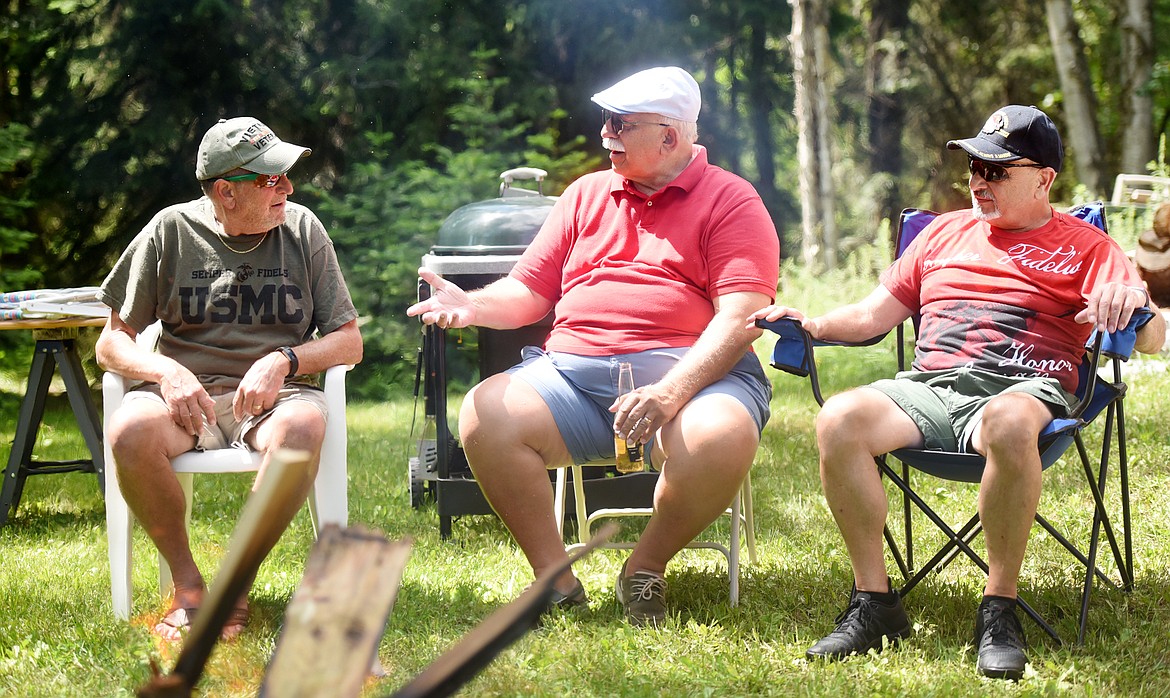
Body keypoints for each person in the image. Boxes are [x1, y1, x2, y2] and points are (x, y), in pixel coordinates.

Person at [749, 105, 1166, 680]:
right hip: (931, 389)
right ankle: (875, 603)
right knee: (840, 417)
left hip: (1025, 388)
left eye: (996, 171)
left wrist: (1135, 306)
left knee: (1008, 421)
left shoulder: (1087, 247)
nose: (978, 182)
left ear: (1044, 178)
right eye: (973, 168)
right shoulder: (942, 233)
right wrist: (814, 324)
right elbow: (874, 315)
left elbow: (1149, 336)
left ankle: (999, 608)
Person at [407, 66, 779, 626]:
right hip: (574, 383)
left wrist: (670, 392)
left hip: (696, 383)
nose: (605, 134)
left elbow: (743, 317)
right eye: (604, 121)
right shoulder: (585, 194)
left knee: (722, 435)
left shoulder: (732, 200)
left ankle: (645, 569)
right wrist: (474, 306)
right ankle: (555, 579)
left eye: (619, 124)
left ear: (670, 136)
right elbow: (530, 291)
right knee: (485, 412)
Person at [96, 117, 363, 642]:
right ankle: (188, 586)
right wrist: (165, 370)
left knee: (303, 429)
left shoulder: (303, 229)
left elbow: (348, 340)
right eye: (271, 179)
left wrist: (284, 358)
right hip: (183, 397)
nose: (287, 187)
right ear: (226, 191)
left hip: (275, 396)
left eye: (286, 175)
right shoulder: (170, 230)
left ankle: (236, 584)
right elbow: (111, 342)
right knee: (128, 432)